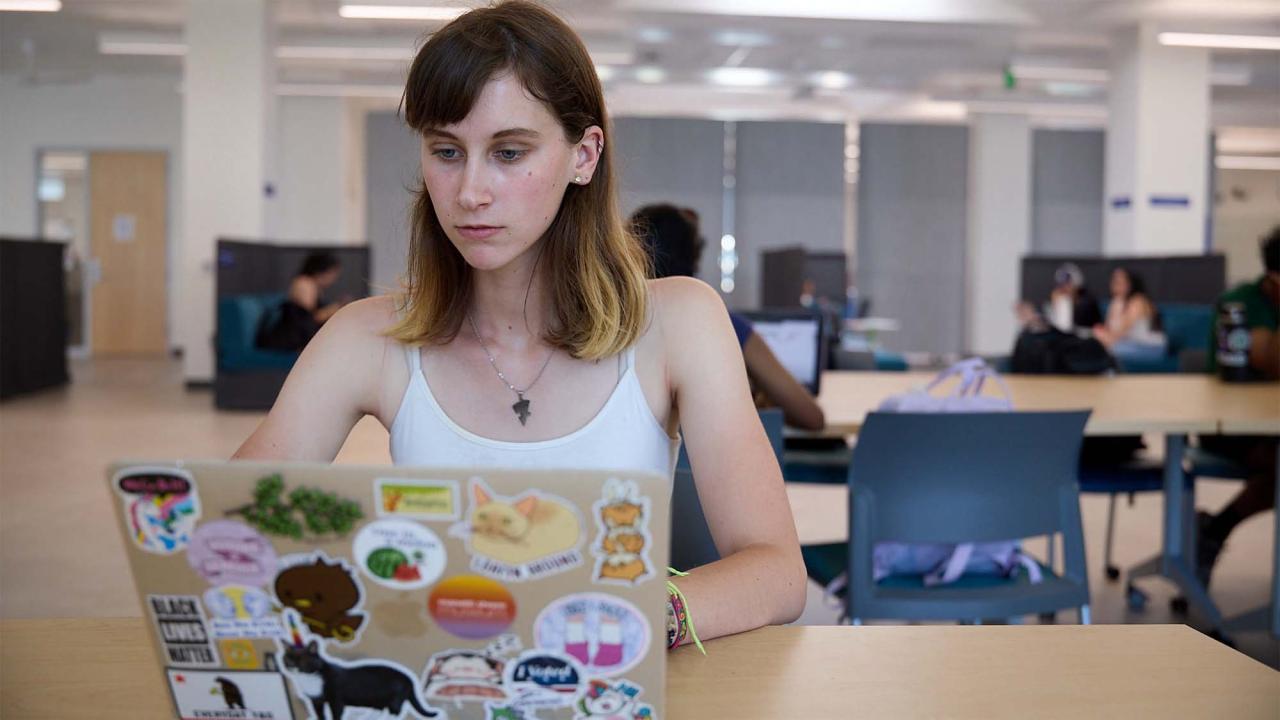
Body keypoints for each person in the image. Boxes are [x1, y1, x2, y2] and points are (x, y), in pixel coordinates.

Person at [233, 1, 805, 645]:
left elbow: (777, 573)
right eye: (447, 151)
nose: (470, 191)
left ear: (584, 156)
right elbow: (229, 532)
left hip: (602, 684)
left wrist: (631, 618)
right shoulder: (366, 339)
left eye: (508, 152)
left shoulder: (680, 322)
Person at [630, 203, 826, 431]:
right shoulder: (719, 323)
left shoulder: (611, 324)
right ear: (693, 258)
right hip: (712, 464)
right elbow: (812, 417)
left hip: (638, 465)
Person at [1195, 226, 1280, 588]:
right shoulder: (1239, 305)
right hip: (1227, 426)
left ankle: (1214, 529)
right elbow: (1268, 357)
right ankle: (1214, 532)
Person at [256, 252, 349, 351]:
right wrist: (334, 309)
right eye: (332, 274)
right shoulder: (305, 284)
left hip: (298, 335)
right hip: (287, 339)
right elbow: (306, 320)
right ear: (322, 270)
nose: (333, 279)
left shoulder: (314, 286)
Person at [1092, 267, 1167, 364]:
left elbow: (1122, 333)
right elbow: (1108, 330)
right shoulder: (1116, 303)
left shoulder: (1139, 301)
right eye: (1115, 281)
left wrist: (1103, 337)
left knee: (1112, 350)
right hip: (1129, 343)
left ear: (1130, 283)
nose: (1117, 285)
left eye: (1121, 282)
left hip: (1151, 347)